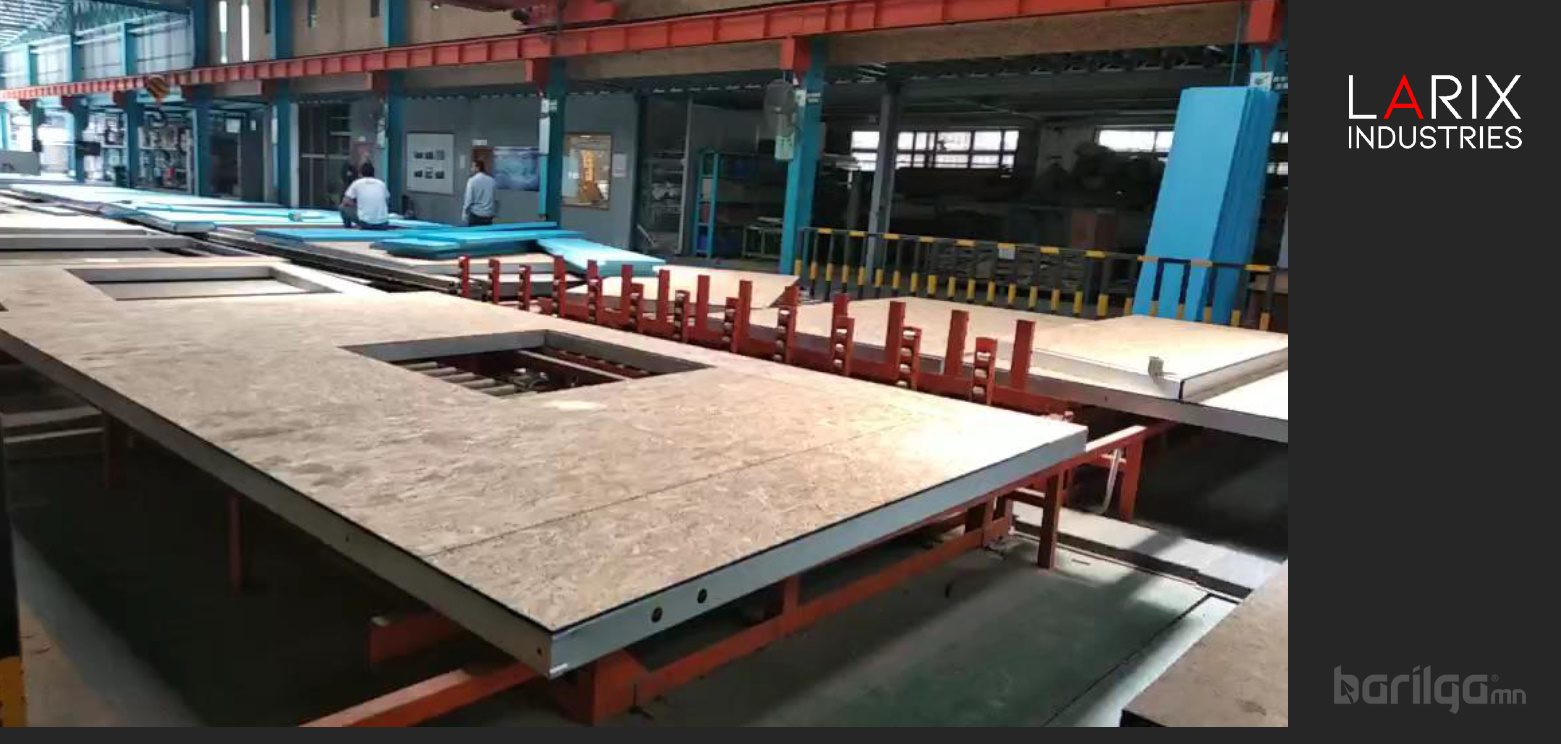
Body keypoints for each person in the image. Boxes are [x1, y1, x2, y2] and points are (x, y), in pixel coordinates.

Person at [341, 162, 391, 230]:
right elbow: (387, 200)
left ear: (360, 174)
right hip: (383, 223)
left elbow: (346, 201)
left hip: (365, 223)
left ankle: (347, 226)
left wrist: (357, 206)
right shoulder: (381, 183)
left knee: (342, 207)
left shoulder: (357, 183)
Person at [462, 158, 497, 226]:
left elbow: (468, 199)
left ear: (477, 168)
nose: (471, 169)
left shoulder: (472, 181)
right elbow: (495, 198)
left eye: (472, 167)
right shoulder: (492, 180)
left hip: (476, 215)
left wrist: (464, 213)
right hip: (488, 215)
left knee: (474, 232)